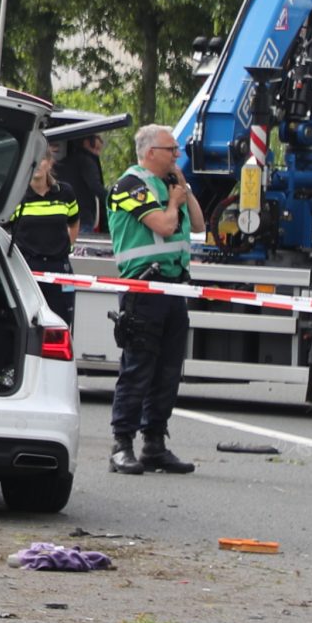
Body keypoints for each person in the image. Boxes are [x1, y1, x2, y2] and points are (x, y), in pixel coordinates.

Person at [105, 124, 204, 475]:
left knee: (168, 371)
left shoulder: (170, 184)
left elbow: (198, 223)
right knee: (138, 369)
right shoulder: (130, 185)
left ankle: (155, 443)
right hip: (144, 289)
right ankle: (122, 445)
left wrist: (183, 189)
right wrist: (173, 200)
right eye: (171, 150)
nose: (177, 156)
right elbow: (163, 225)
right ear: (150, 153)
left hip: (174, 287)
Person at [9, 144, 82, 323]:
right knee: (28, 322)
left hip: (59, 268)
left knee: (62, 321)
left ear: (49, 163)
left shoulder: (65, 192)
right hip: (28, 268)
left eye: (42, 159)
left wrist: (68, 246)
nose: (38, 164)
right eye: (33, 160)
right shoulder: (17, 195)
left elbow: (74, 222)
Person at [60, 132, 110, 234]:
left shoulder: (63, 163)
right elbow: (95, 186)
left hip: (63, 215)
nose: (97, 153)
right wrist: (112, 200)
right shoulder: (88, 161)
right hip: (83, 217)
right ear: (86, 143)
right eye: (95, 148)